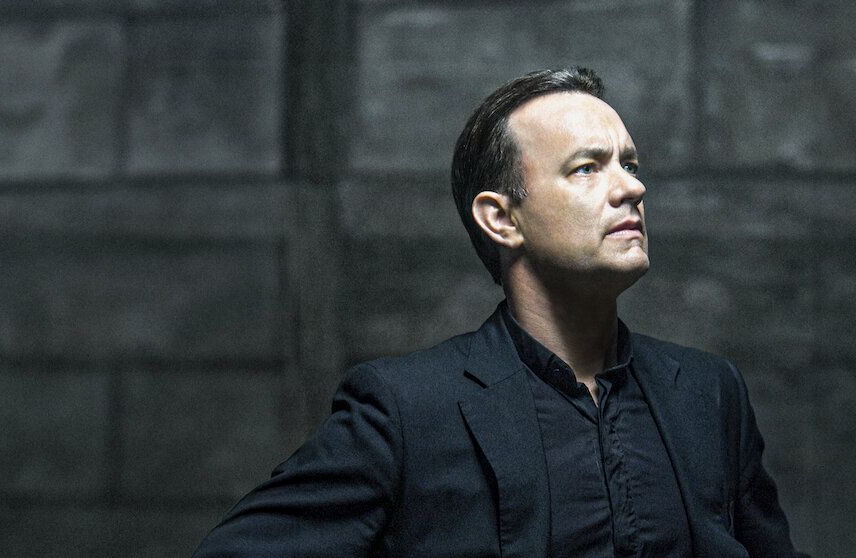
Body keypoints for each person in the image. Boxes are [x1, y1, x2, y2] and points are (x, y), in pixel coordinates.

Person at [193, 67, 807, 557]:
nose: (631, 188)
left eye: (630, 164)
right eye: (587, 168)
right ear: (501, 218)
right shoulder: (405, 409)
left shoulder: (709, 392)